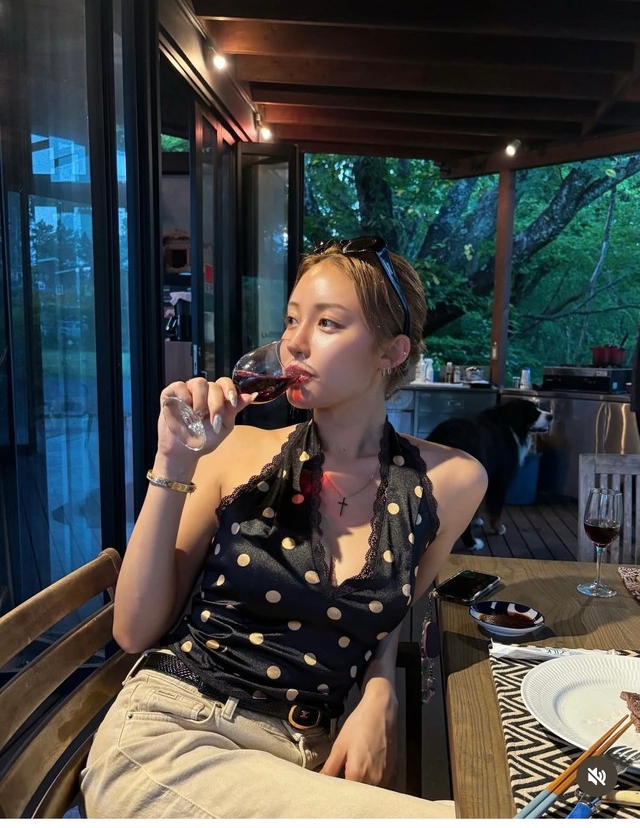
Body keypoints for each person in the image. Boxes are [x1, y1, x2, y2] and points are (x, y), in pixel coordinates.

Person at [80, 236, 487, 819]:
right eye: (293, 319)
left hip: (306, 758)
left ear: (391, 352)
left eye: (327, 323)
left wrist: (380, 689)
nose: (294, 341)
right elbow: (134, 630)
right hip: (175, 734)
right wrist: (174, 461)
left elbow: (390, 611)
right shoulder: (235, 452)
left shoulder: (450, 482)